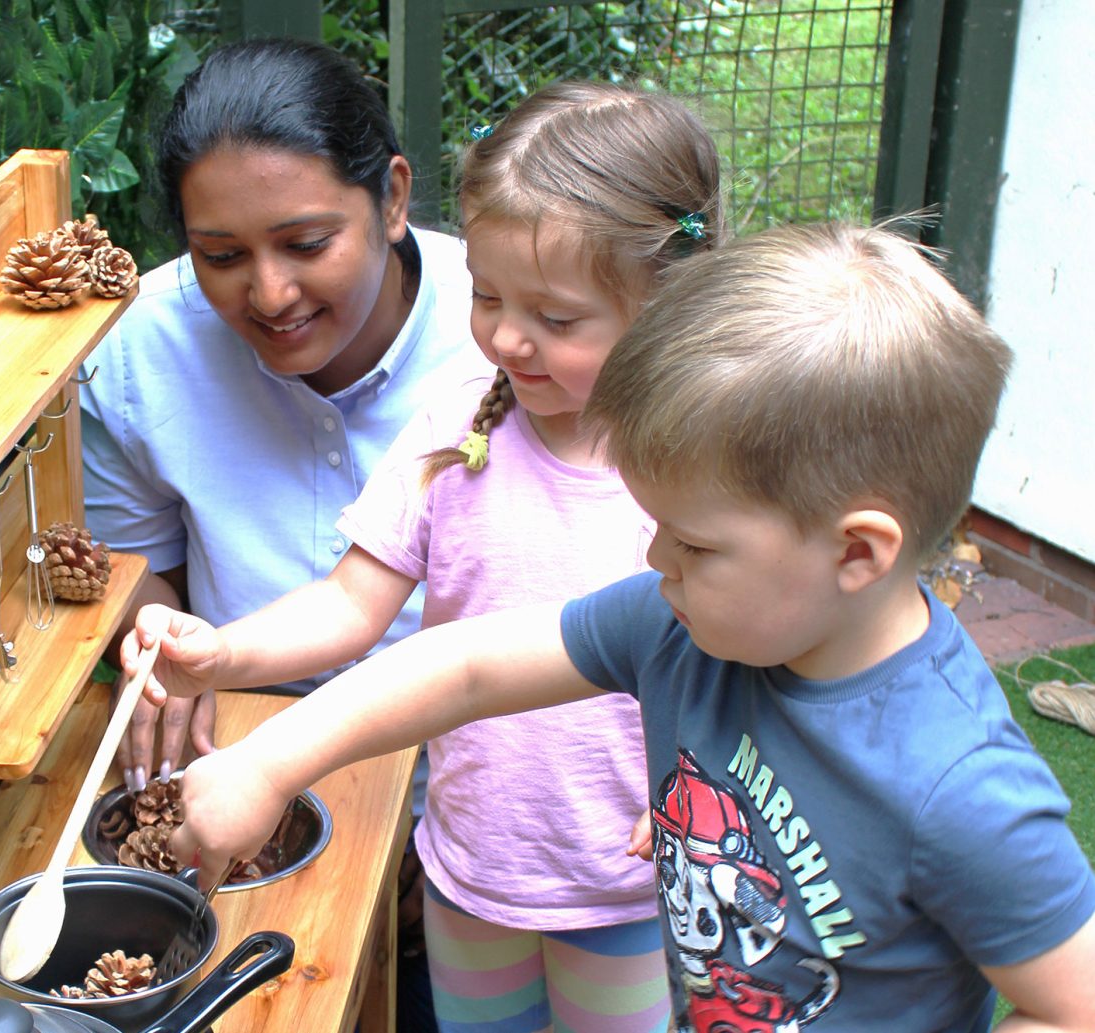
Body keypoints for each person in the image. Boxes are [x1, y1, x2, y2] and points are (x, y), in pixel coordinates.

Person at [138, 221, 1095, 1031]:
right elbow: (468, 664)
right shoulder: (686, 624)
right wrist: (268, 764)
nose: (652, 562)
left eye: (690, 541)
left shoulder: (961, 789)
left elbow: (1075, 1004)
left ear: (857, 553)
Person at [121, 80, 727, 1031]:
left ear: (666, 302)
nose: (507, 337)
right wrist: (222, 651)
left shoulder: (704, 469)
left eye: (557, 319)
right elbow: (352, 604)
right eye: (487, 296)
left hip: (626, 888)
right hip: (469, 872)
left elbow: (753, 654)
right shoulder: (458, 419)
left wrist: (710, 773)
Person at [79, 37, 487, 790]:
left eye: (306, 243)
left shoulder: (509, 338)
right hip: (233, 752)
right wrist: (158, 653)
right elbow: (135, 569)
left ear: (392, 199)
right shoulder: (138, 353)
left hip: (477, 776)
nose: (270, 294)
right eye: (222, 257)